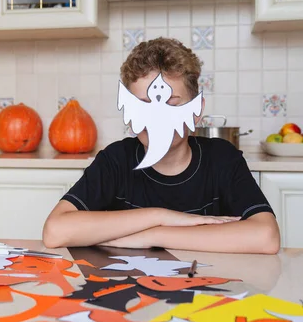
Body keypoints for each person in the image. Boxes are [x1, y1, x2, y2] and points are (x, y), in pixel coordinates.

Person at [43, 38, 280, 255]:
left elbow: (266, 237)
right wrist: (160, 216)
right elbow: (56, 231)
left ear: (197, 111)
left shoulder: (222, 159)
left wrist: (154, 235)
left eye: (172, 104)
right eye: (144, 105)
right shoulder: (116, 160)